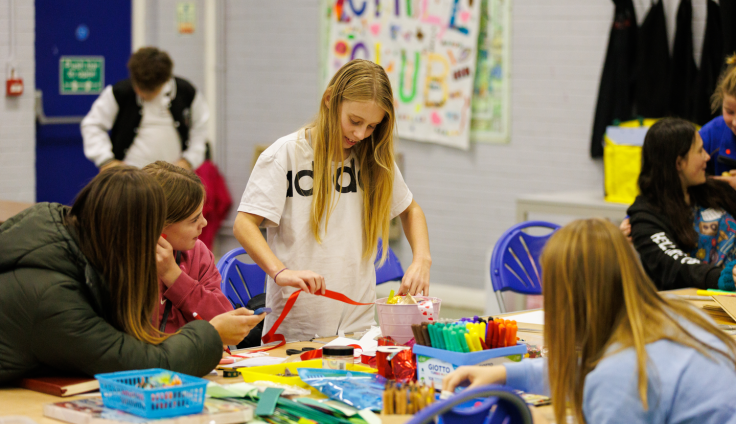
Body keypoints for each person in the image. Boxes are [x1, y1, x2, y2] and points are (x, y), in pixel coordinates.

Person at [443, 219, 736, 424]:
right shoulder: (677, 314)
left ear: (568, 300)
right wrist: (505, 375)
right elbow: (588, 368)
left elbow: (610, 378)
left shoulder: (620, 375)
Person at [0, 167, 262, 383]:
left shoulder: (73, 246)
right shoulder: (52, 295)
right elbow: (142, 365)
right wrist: (212, 334)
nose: (203, 224)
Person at [233, 59, 431, 342]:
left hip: (357, 329)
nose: (361, 134)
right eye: (355, 121)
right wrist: (280, 272)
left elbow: (411, 210)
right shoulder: (285, 155)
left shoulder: (373, 159)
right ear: (329, 100)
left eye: (372, 126)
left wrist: (422, 258)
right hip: (296, 330)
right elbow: (243, 224)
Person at [627, 118, 736, 290]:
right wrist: (724, 278)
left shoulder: (714, 189)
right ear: (679, 163)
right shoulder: (645, 216)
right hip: (690, 310)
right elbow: (675, 266)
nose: (707, 157)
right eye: (700, 151)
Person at [142, 161, 235, 333]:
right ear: (157, 225)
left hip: (195, 357)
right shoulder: (126, 259)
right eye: (193, 220)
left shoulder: (198, 253)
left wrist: (174, 276)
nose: (204, 223)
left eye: (201, 214)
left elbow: (225, 320)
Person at [81, 47, 208, 172]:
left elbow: (201, 128)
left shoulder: (187, 92)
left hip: (173, 177)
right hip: (129, 177)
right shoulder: (119, 92)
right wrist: (106, 160)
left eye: (151, 91)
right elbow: (92, 125)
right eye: (139, 89)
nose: (143, 94)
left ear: (165, 81)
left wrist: (189, 160)